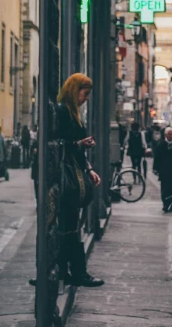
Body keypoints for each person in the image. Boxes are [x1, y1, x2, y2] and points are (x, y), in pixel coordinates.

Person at [56, 73, 103, 287]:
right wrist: (79, 144)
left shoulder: (73, 113)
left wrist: (89, 168)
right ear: (75, 91)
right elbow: (59, 144)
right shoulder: (62, 112)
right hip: (64, 179)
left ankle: (68, 270)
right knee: (69, 226)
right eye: (85, 94)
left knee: (70, 226)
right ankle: (76, 272)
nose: (86, 99)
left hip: (72, 175)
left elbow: (74, 148)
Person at [153, 128, 172, 212]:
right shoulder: (160, 145)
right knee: (165, 188)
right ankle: (165, 204)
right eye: (169, 134)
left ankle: (171, 204)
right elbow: (156, 158)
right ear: (165, 135)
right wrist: (155, 168)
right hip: (164, 170)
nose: (171, 136)